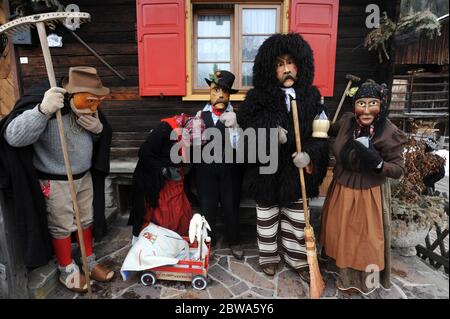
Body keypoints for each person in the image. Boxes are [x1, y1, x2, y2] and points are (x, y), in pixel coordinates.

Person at [1, 66, 114, 293]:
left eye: (98, 101)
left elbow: (101, 136)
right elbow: (13, 137)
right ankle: (66, 268)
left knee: (86, 218)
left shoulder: (90, 111)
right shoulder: (47, 105)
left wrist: (99, 130)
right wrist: (42, 111)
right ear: (71, 95)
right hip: (55, 180)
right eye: (89, 100)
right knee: (62, 223)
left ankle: (87, 260)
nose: (94, 107)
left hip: (84, 176)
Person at [236, 33, 329, 278]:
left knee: (297, 219)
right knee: (267, 218)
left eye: (290, 62)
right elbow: (245, 128)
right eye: (279, 64)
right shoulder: (257, 98)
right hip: (267, 171)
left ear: (301, 65)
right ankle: (268, 256)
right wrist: (269, 133)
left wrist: (309, 154)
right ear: (270, 69)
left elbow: (321, 135)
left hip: (296, 172)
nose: (286, 69)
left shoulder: (312, 97)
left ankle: (297, 258)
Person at [320, 79, 408, 295]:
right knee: (338, 232)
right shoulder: (348, 121)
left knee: (363, 240)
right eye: (361, 103)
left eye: (372, 103)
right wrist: (319, 115)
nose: (366, 110)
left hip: (369, 193)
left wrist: (378, 164)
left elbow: (398, 169)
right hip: (342, 187)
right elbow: (332, 130)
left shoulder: (387, 131)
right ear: (354, 106)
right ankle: (340, 271)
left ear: (382, 104)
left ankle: (359, 280)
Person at [194, 70, 244, 260]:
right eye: (216, 90)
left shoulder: (235, 116)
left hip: (230, 170)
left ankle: (234, 241)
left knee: (231, 206)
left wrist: (235, 127)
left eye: (224, 91)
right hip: (205, 170)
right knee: (207, 206)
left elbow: (239, 147)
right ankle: (209, 241)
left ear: (229, 94)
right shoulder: (200, 114)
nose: (220, 95)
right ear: (210, 91)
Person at [128, 113, 203, 240]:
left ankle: (175, 242)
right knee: (164, 215)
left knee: (179, 213)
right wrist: (163, 169)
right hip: (153, 180)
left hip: (174, 180)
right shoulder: (164, 128)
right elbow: (144, 152)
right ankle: (158, 244)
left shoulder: (185, 134)